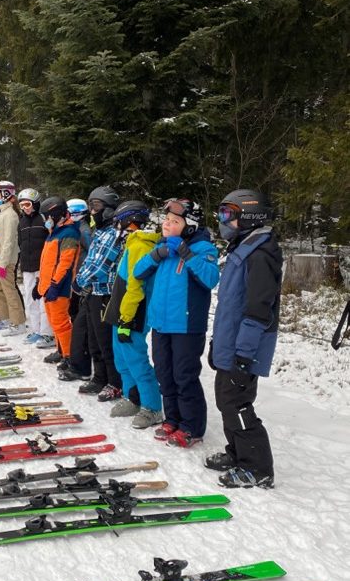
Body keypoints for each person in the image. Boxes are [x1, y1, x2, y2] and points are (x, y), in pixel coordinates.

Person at [206, 189, 282, 489]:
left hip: (246, 346)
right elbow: (230, 305)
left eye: (229, 214)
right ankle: (237, 453)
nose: (223, 220)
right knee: (226, 400)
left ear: (249, 217)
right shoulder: (244, 247)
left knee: (237, 404)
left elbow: (258, 310)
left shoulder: (261, 254)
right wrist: (218, 343)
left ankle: (257, 468)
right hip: (232, 341)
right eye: (222, 213)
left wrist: (242, 354)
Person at [133, 198, 220, 447]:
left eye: (174, 221)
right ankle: (172, 418)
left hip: (186, 326)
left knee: (184, 376)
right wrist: (157, 254)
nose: (166, 224)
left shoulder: (204, 249)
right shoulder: (163, 248)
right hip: (161, 324)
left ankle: (191, 426)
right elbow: (138, 271)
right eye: (166, 220)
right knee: (164, 373)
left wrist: (187, 253)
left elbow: (211, 278)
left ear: (189, 225)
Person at [103, 201, 163, 424]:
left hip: (133, 313)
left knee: (135, 359)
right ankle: (133, 397)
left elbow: (135, 287)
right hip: (120, 310)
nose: (116, 227)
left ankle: (152, 407)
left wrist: (126, 319)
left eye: (118, 223)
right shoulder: (131, 243)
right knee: (121, 358)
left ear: (129, 222)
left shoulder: (140, 246)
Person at [72, 186, 124, 402]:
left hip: (105, 294)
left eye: (96, 206)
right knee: (93, 339)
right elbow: (89, 261)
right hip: (92, 292)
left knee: (105, 341)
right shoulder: (100, 232)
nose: (92, 211)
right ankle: (99, 377)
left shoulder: (114, 234)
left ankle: (115, 382)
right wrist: (80, 279)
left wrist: (81, 280)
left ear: (109, 209)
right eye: (90, 205)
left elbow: (101, 266)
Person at [37, 197, 81, 361]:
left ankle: (69, 356)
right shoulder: (54, 232)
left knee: (61, 323)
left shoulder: (68, 233)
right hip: (48, 285)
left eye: (46, 216)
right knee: (54, 322)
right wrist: (39, 284)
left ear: (54, 215)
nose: (44, 221)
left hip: (59, 286)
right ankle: (61, 350)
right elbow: (48, 262)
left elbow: (65, 263)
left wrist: (55, 285)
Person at [54, 198, 93, 371]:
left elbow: (91, 253)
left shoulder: (83, 230)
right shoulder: (72, 228)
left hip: (80, 278)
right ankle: (65, 351)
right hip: (72, 278)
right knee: (69, 315)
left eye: (74, 213)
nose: (71, 216)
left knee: (76, 317)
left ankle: (77, 356)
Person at [0, 181, 26, 335]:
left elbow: (9, 241)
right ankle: (4, 318)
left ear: (6, 194)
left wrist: (4, 263)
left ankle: (19, 322)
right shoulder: (1, 213)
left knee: (9, 289)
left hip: (6, 260)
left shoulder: (11, 215)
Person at [17, 188, 54, 348]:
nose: (25, 208)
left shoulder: (43, 218)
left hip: (42, 266)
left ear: (35, 203)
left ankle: (47, 333)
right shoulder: (22, 221)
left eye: (27, 204)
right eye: (22, 205)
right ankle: (36, 330)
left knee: (42, 300)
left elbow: (52, 240)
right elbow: (20, 242)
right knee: (30, 299)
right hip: (27, 266)